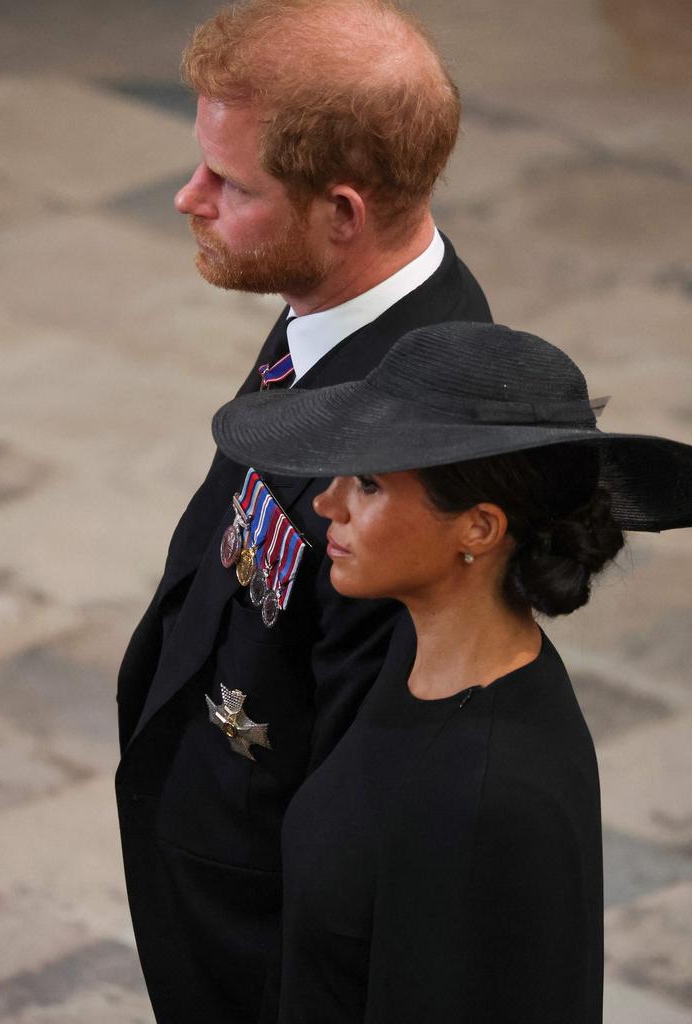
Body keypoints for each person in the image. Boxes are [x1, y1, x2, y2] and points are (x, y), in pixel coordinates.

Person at [115, 0, 491, 1020]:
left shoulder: (408, 465)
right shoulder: (331, 307)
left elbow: (367, 824)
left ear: (343, 212)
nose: (189, 197)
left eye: (231, 185)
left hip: (269, 956)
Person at [212, 320, 692, 1023]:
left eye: (369, 484)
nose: (326, 503)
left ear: (479, 528)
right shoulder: (418, 656)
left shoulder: (485, 796)